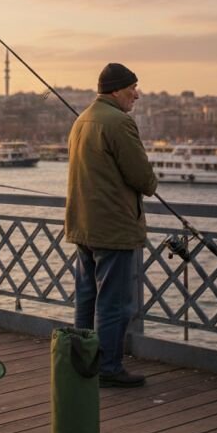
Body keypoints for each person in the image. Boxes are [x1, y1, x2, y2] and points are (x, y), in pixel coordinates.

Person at [65, 63, 157, 387]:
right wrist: (151, 181)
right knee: (114, 302)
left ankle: (82, 363)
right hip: (113, 229)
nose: (137, 94)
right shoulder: (119, 122)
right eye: (133, 87)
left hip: (84, 226)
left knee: (87, 297)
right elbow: (143, 178)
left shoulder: (82, 120)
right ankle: (109, 368)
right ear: (117, 89)